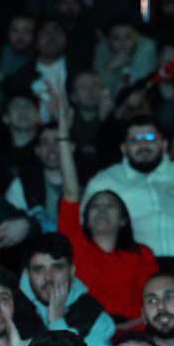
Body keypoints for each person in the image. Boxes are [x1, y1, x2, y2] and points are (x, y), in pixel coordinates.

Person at [52, 85, 159, 320]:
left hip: (134, 333)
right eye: (95, 206)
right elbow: (70, 191)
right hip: (86, 332)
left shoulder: (142, 255)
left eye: (110, 206)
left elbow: (150, 306)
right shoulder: (76, 244)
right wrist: (63, 135)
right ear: (85, 218)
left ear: (123, 220)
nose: (101, 210)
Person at [80, 115, 174, 258]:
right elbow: (84, 228)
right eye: (135, 140)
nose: (143, 144)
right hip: (134, 264)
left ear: (164, 144)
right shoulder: (105, 181)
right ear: (123, 148)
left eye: (150, 138)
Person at [17, 232, 115, 346]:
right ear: (27, 274)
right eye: (39, 269)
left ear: (72, 271)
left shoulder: (95, 315)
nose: (48, 277)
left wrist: (57, 322)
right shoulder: (10, 308)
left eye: (57, 267)